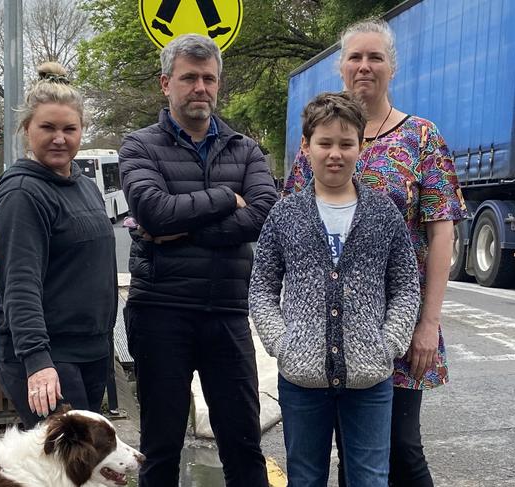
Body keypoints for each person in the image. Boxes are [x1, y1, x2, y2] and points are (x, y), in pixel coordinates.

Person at [285, 19, 468, 486]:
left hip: (399, 326)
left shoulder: (421, 138)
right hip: (330, 330)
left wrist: (427, 324)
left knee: (402, 449)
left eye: (376, 58)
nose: (365, 67)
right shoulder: (316, 142)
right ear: (341, 67)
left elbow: (442, 233)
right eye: (355, 57)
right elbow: (291, 234)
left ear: (393, 67)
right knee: (354, 456)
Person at [119, 34, 277, 487]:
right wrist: (228, 196)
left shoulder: (244, 149)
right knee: (161, 447)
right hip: (160, 312)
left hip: (226, 313)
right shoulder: (139, 146)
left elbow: (265, 215)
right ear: (166, 83)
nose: (200, 88)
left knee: (243, 443)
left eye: (209, 79)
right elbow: (153, 211)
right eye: (189, 78)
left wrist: (178, 230)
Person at [250, 91, 420, 486]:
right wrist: (284, 343)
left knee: (370, 478)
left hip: (370, 379)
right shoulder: (286, 213)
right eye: (325, 143)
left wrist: (388, 344)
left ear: (361, 146)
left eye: (346, 144)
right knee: (305, 477)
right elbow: (261, 287)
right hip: (301, 381)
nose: (335, 154)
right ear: (306, 147)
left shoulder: (382, 213)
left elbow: (406, 286)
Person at [0, 62, 117, 429]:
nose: (59, 138)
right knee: (62, 471)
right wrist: (37, 362)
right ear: (26, 129)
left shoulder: (83, 185)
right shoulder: (22, 194)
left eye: (69, 129)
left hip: (90, 350)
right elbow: (20, 284)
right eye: (47, 127)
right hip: (48, 357)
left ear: (81, 132)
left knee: (82, 469)